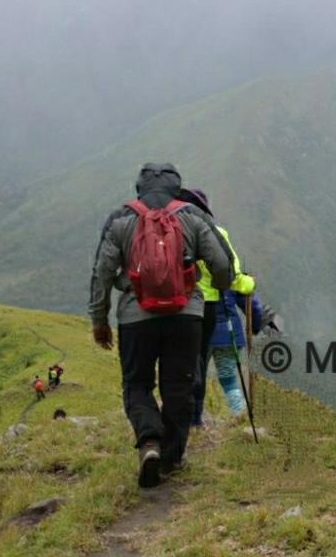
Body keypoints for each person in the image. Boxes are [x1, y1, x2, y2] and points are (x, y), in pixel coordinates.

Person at [88, 163, 233, 488]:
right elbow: (222, 265)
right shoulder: (193, 216)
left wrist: (100, 320)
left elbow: (101, 273)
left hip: (135, 316)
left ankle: (150, 442)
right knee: (179, 386)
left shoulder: (121, 219)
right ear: (176, 187)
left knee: (137, 384)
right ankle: (172, 457)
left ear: (139, 187)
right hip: (186, 316)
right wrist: (217, 287)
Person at [177, 188, 280, 425]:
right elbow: (240, 288)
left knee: (195, 376)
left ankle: (194, 422)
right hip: (228, 332)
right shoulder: (219, 240)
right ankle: (240, 415)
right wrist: (261, 319)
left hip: (195, 324)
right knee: (229, 379)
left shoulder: (179, 239)